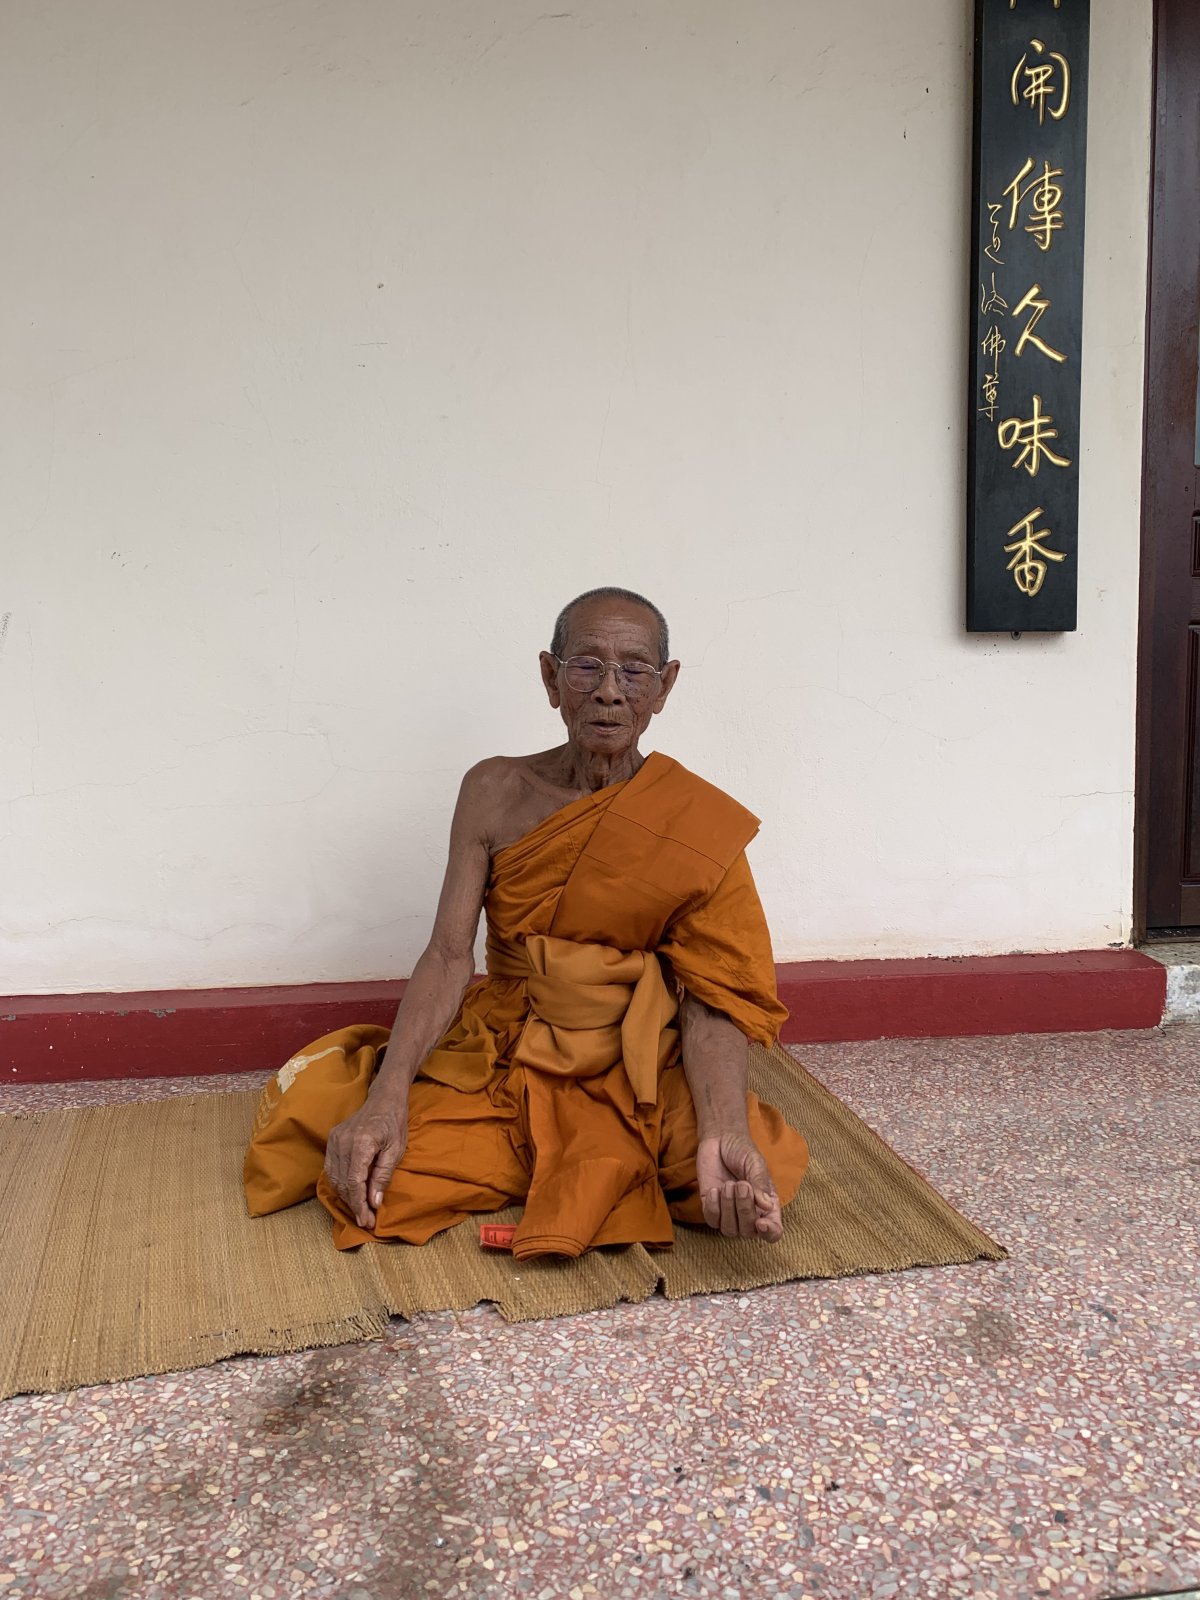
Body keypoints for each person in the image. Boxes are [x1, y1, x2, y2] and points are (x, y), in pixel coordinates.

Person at [243, 587, 809, 1259]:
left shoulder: (695, 823)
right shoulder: (493, 791)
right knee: (378, 1179)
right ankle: (579, 1174)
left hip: (638, 1058)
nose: (609, 691)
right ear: (550, 676)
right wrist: (388, 1095)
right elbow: (449, 955)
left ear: (665, 687)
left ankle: (599, 1168)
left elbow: (714, 996)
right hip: (510, 1042)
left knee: (743, 1168)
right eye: (586, 666)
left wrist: (724, 1128)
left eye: (634, 671)